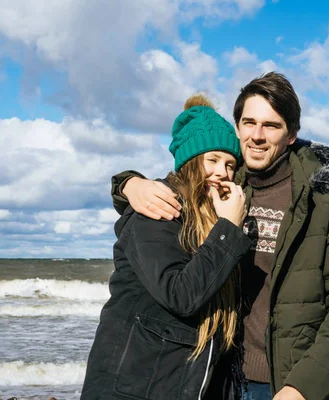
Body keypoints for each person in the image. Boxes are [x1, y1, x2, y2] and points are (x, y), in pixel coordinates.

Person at [112, 72, 329, 400]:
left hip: (286, 384)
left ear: (291, 134)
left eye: (272, 125)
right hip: (214, 377)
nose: (258, 136)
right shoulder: (221, 182)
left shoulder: (327, 204)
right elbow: (175, 187)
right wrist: (129, 184)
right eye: (249, 122)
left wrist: (302, 387)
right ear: (237, 127)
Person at [81, 94, 253, 400]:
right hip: (131, 390)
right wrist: (228, 231)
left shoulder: (216, 219)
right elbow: (181, 295)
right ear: (189, 162)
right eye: (212, 160)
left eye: (229, 164)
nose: (222, 172)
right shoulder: (158, 211)